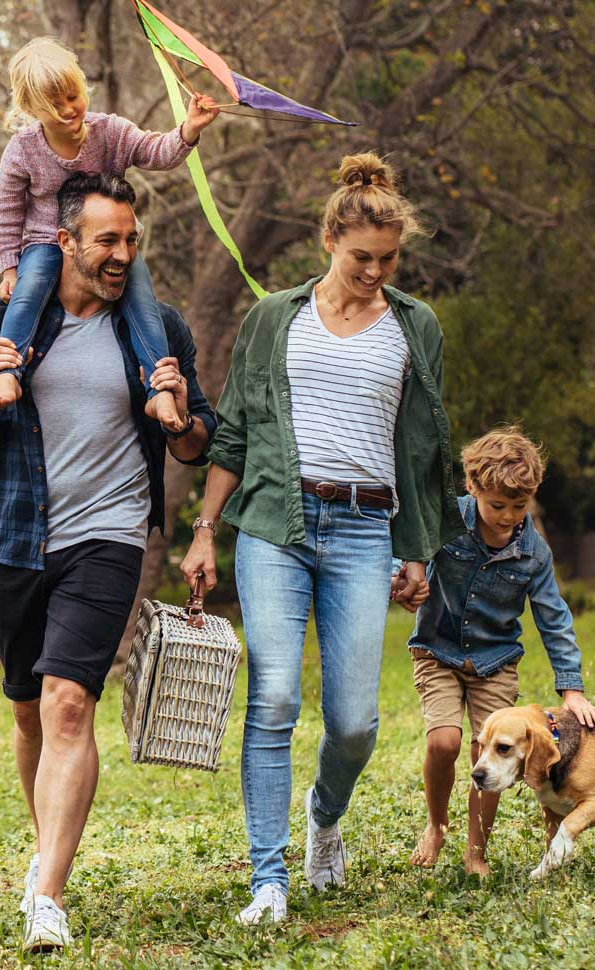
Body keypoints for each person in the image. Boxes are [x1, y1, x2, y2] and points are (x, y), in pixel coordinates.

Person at [178, 152, 465, 925]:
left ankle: (324, 814)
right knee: (272, 697)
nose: (375, 271)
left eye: (388, 259)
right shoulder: (275, 317)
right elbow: (232, 433)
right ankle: (266, 879)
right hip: (276, 523)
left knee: (353, 723)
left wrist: (419, 547)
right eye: (360, 257)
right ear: (329, 241)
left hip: (366, 528)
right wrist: (206, 531)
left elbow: (426, 446)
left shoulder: (415, 327)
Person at [0, 171, 217, 952]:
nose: (123, 252)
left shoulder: (155, 327)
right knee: (28, 707)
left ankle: (48, 898)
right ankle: (44, 852)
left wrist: (181, 412)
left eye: (132, 239)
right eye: (107, 240)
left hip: (111, 536)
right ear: (65, 241)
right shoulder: (3, 315)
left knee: (68, 704)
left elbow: (200, 438)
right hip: (19, 537)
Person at [0, 36, 222, 427]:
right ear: (31, 109)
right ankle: (9, 374)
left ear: (82, 88)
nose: (67, 110)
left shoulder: (109, 131)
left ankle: (160, 390)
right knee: (27, 295)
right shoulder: (23, 149)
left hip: (106, 242)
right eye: (53, 105)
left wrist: (189, 129)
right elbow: (8, 211)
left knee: (143, 299)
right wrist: (9, 268)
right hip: (47, 241)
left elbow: (155, 152)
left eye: (72, 96)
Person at [407, 426, 595, 875]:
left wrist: (571, 689)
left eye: (520, 506)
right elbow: (407, 558)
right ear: (473, 488)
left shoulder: (534, 552)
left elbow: (554, 618)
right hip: (438, 651)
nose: (509, 516)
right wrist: (403, 583)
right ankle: (437, 824)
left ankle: (476, 852)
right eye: (497, 505)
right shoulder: (445, 521)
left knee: (491, 752)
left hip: (495, 663)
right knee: (444, 742)